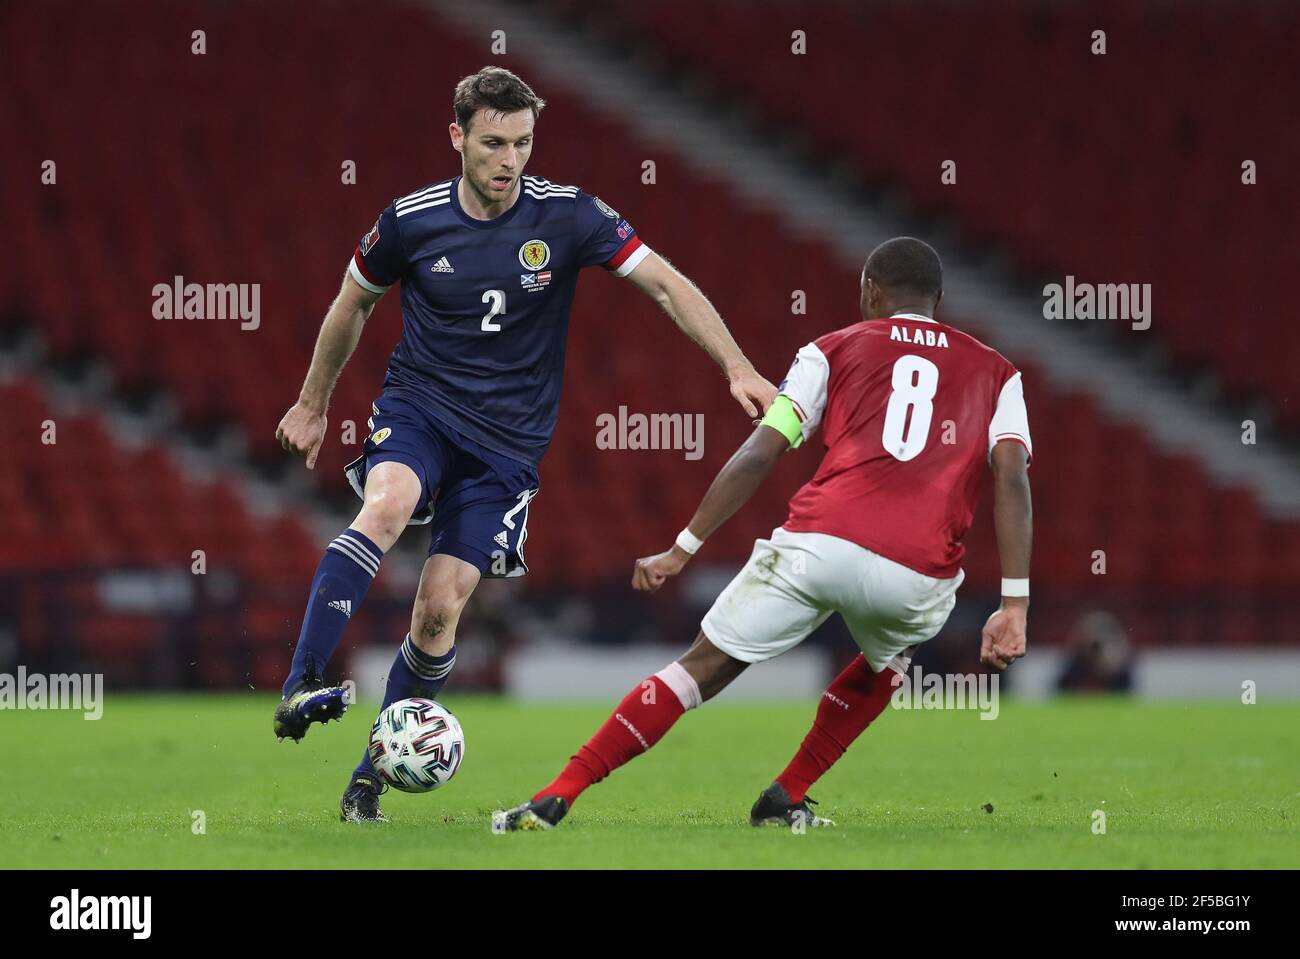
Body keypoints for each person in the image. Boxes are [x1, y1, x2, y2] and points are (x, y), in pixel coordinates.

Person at [271, 65, 775, 823]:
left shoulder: (569, 216)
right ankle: (303, 678)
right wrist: (313, 403)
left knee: (439, 611)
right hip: (419, 410)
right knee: (387, 503)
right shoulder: (409, 221)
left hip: (505, 449)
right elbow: (352, 306)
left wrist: (736, 363)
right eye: (494, 142)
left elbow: (666, 283)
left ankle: (368, 778)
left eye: (524, 143)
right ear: (458, 137)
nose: (510, 160)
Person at [494, 236, 1033, 831]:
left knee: (701, 667)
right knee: (891, 658)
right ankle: (788, 793)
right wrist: (1013, 604)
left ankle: (559, 793)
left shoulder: (829, 349)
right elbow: (1011, 478)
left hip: (819, 543)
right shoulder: (998, 371)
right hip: (916, 569)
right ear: (938, 298)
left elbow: (760, 452)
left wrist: (683, 548)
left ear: (871, 291)